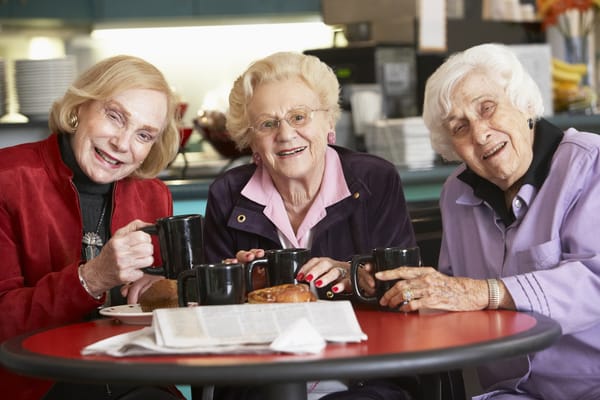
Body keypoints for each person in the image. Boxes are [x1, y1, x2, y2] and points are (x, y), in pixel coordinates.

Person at [376, 43, 600, 399]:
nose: (480, 134)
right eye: (460, 127)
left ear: (524, 104)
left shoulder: (591, 165)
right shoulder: (455, 194)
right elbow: (453, 295)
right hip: (508, 393)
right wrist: (387, 288)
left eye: (487, 108)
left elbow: (594, 283)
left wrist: (486, 293)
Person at [201, 51, 416, 399]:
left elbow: (406, 290)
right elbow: (210, 322)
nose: (286, 134)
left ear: (328, 122)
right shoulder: (227, 194)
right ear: (251, 141)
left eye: (299, 116)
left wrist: (353, 275)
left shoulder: (376, 180)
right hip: (261, 381)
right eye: (268, 124)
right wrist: (235, 287)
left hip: (364, 377)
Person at [0, 55, 184, 400]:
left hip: (137, 380)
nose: (122, 143)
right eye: (115, 117)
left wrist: (160, 292)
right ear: (79, 108)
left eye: (144, 135)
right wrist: (91, 278)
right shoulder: (6, 179)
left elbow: (174, 322)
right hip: (37, 381)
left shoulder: (153, 196)